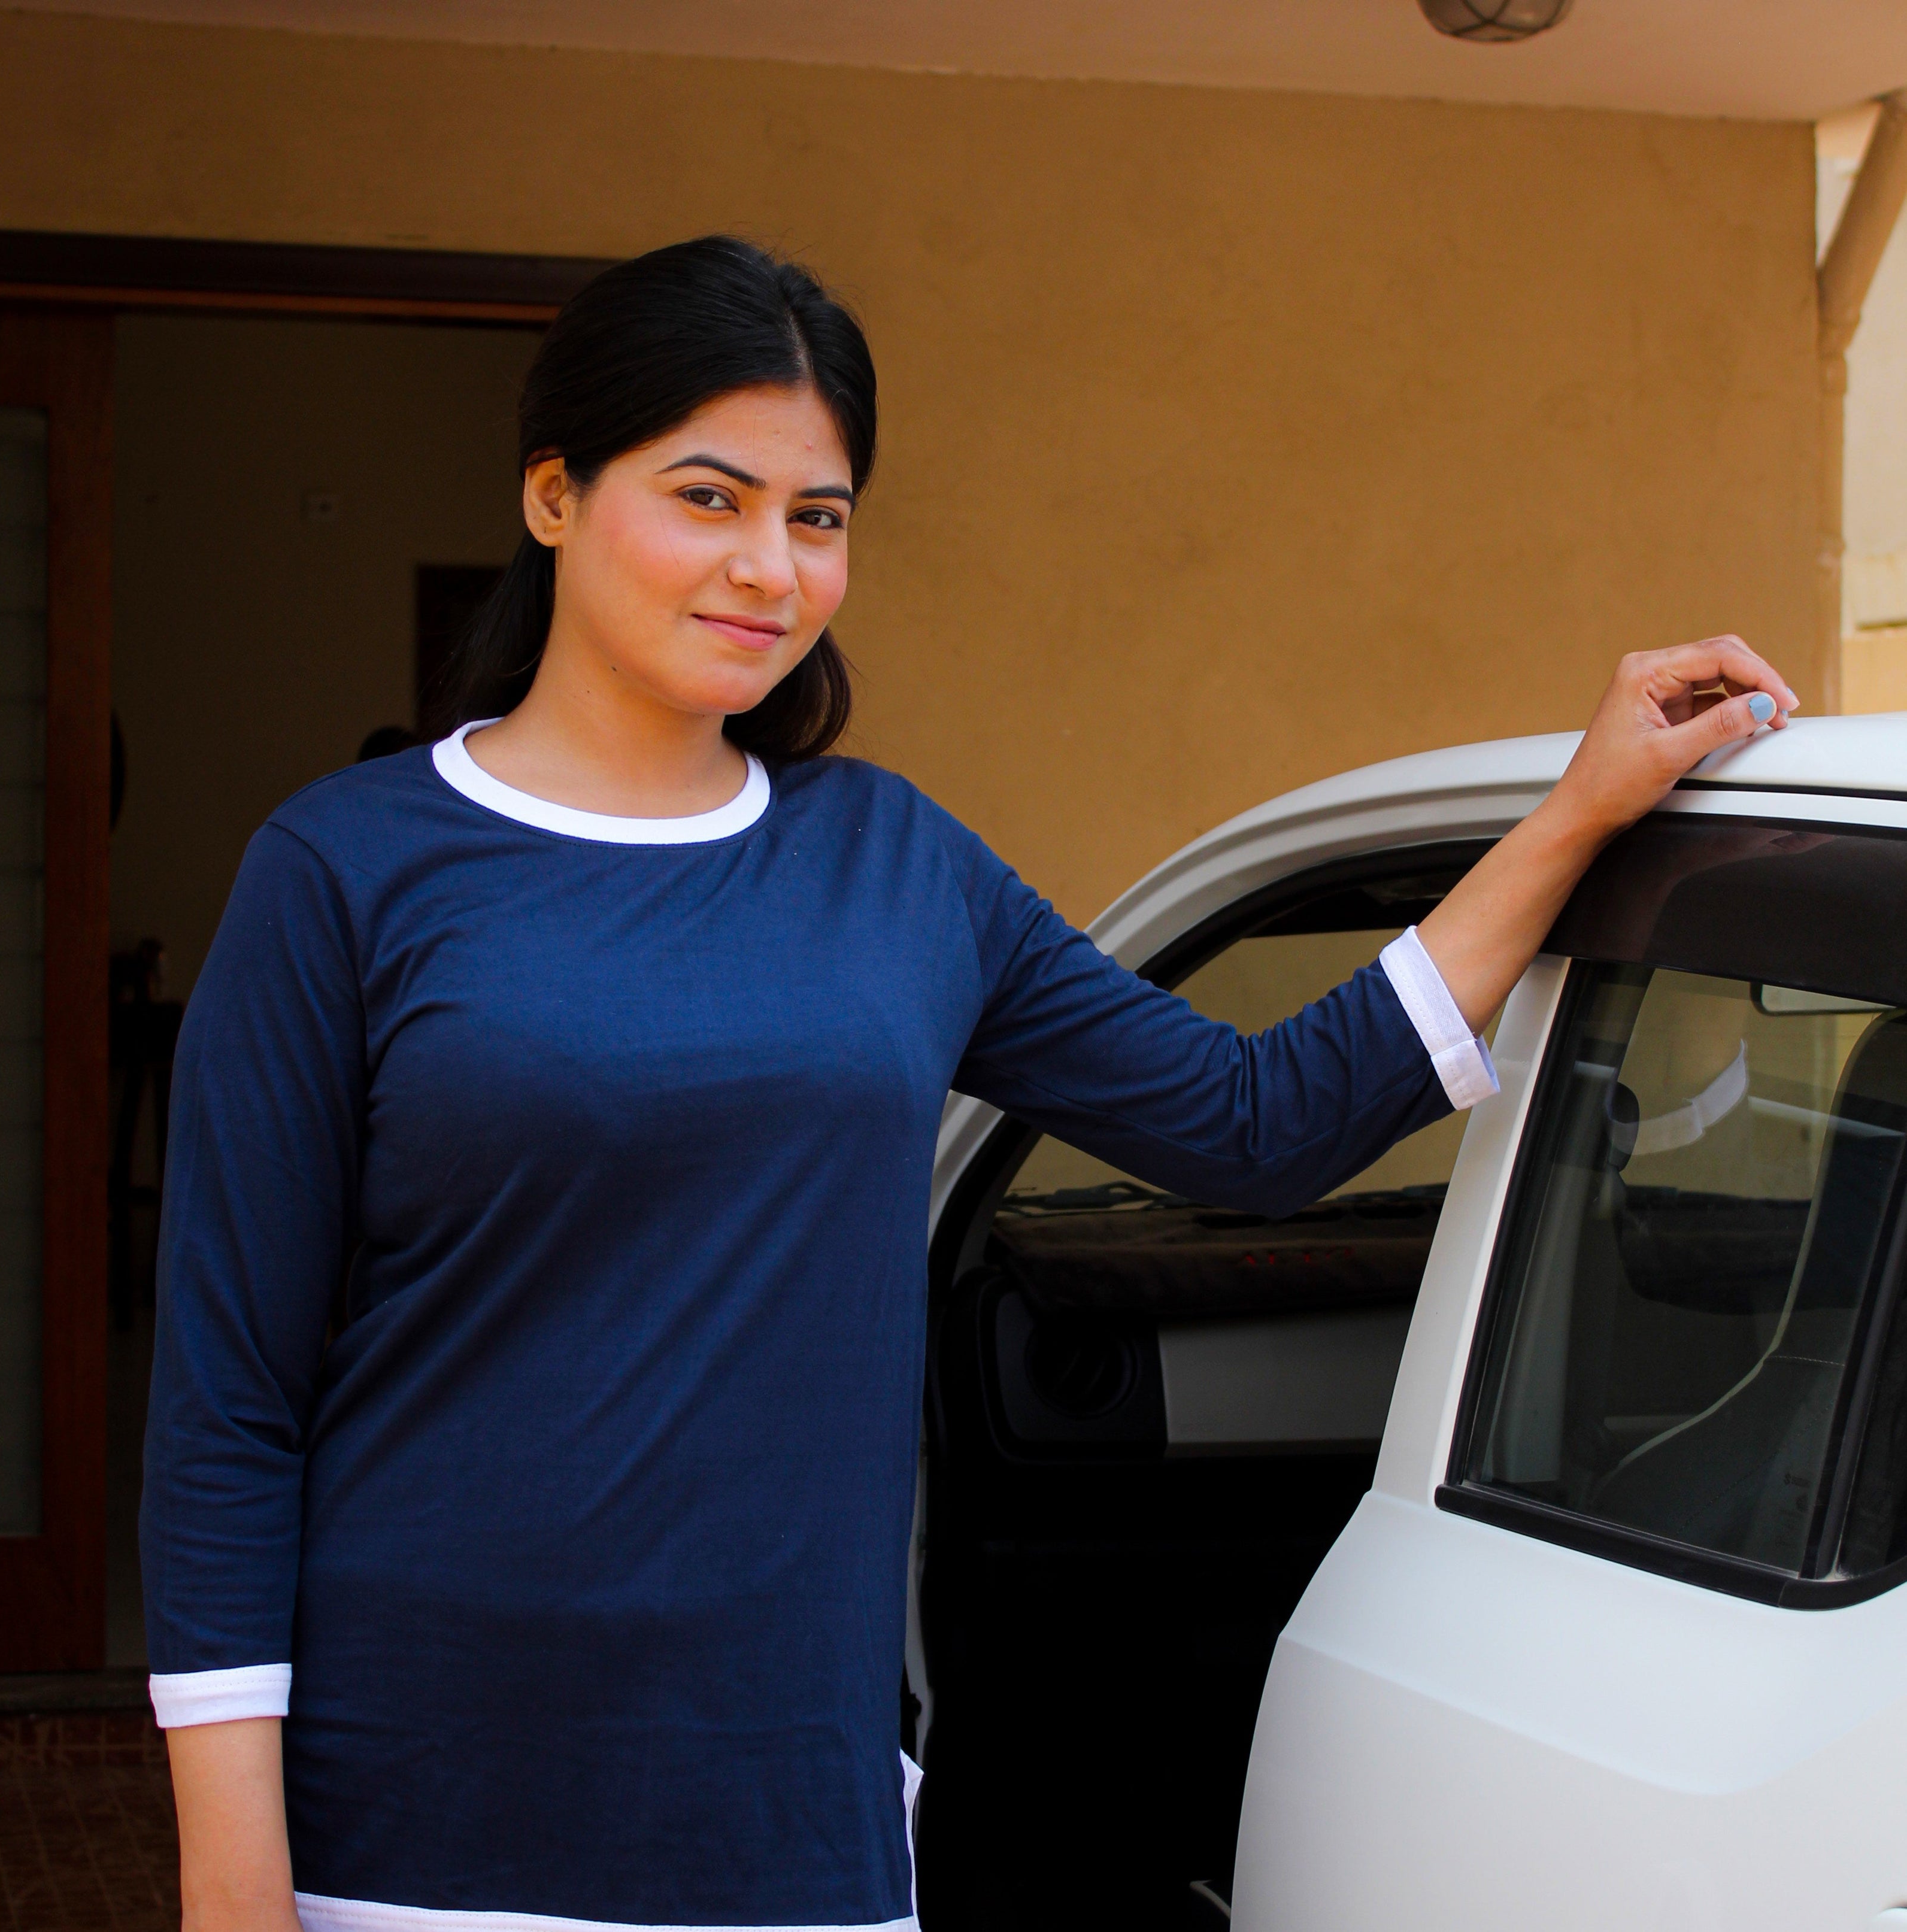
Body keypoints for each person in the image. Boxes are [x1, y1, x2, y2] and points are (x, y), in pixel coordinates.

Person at [141, 235, 1798, 1932]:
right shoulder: (347, 873)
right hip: (410, 1822)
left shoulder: (891, 867)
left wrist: (1575, 812)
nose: (767, 567)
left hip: (784, 1823)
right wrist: (231, 1871)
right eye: (707, 497)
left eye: (818, 515)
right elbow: (228, 1402)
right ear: (555, 495)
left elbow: (1257, 1120)